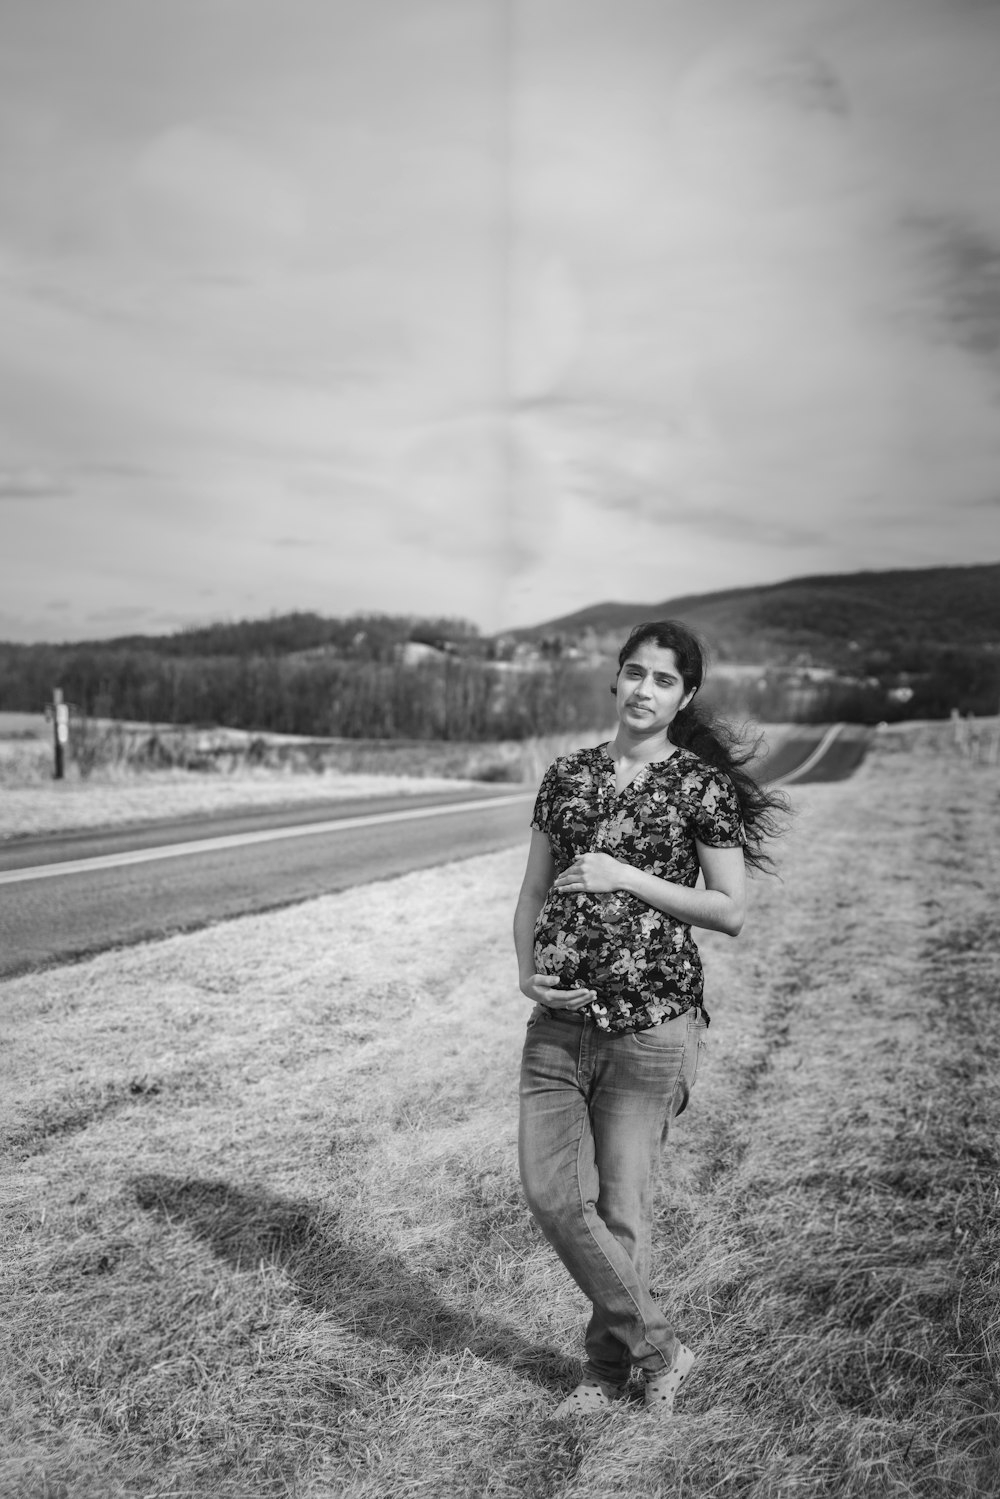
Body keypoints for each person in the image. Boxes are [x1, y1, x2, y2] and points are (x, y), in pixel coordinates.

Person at [513, 618, 786, 1419]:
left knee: (622, 1209)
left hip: (653, 1025)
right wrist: (525, 972)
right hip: (558, 1024)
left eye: (664, 680)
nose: (645, 690)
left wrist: (624, 874)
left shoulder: (699, 786)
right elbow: (531, 893)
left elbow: (731, 909)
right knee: (549, 1193)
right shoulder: (564, 775)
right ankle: (661, 1348)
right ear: (616, 678)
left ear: (685, 695)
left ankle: (608, 1372)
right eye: (635, 673)